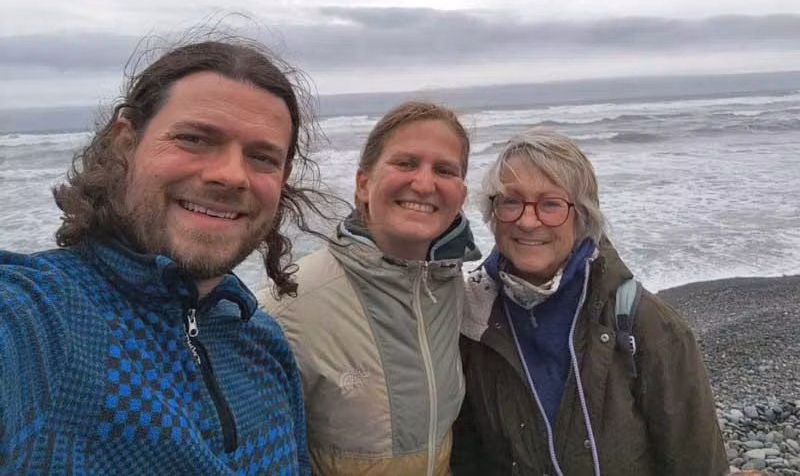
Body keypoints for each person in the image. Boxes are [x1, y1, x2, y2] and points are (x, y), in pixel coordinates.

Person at [0, 39, 319, 474]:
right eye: (194, 139)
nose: (230, 175)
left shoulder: (263, 343)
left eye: (262, 157)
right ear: (125, 143)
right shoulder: (40, 321)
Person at [451, 128, 728, 476]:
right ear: (492, 212)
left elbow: (698, 464)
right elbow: (466, 456)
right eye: (511, 201)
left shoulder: (647, 323)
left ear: (583, 215)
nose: (528, 220)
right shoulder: (473, 317)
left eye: (551, 204)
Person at [260, 101, 480, 476]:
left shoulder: (451, 288)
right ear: (363, 184)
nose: (424, 184)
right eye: (406, 163)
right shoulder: (288, 304)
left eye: (444, 170)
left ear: (460, 195)